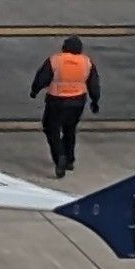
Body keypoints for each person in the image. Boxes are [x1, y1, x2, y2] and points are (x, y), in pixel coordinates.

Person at [32, 36, 99, 179]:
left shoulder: (55, 60)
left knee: (51, 129)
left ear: (64, 47)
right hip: (77, 101)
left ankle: (60, 156)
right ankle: (69, 159)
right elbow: (94, 84)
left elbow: (42, 78)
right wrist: (95, 101)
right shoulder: (86, 62)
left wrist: (34, 90)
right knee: (70, 130)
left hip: (56, 101)